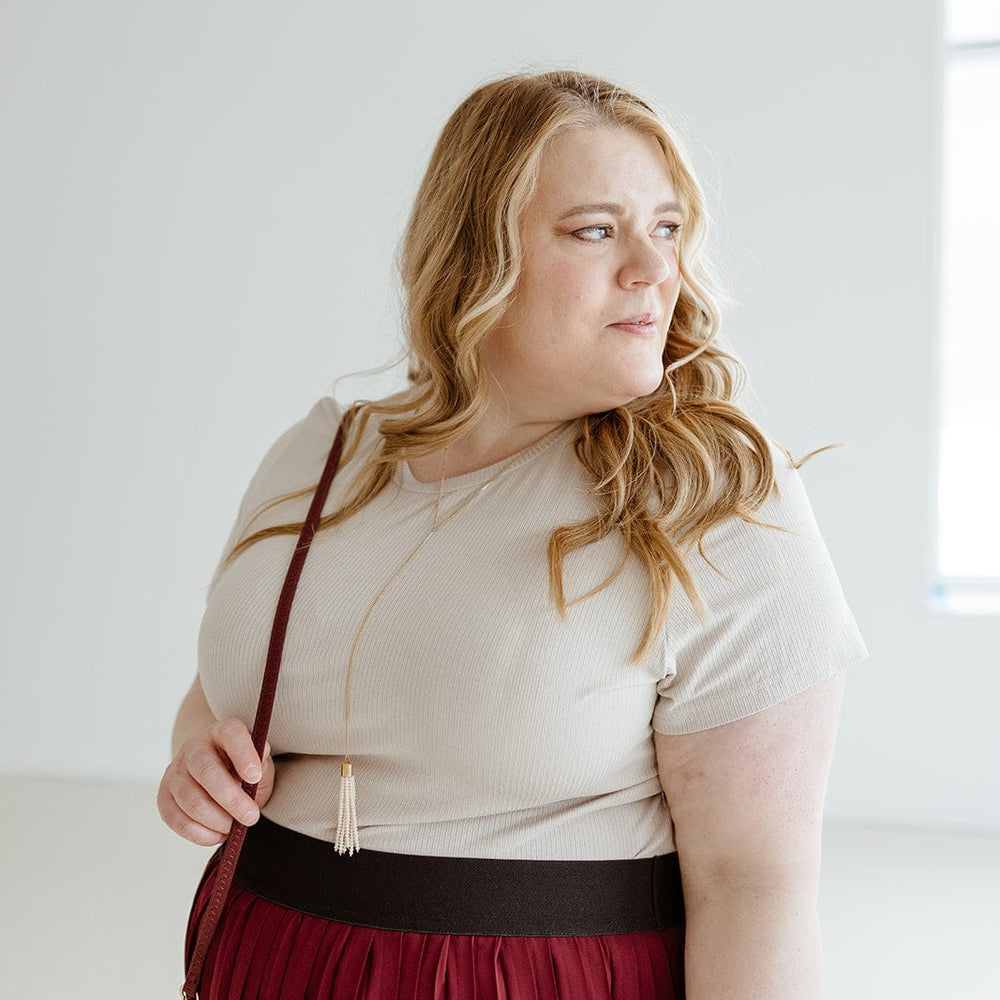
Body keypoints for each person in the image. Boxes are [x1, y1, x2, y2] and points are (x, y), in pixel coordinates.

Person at [158, 69, 869, 1000]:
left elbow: (754, 890)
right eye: (595, 230)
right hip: (272, 959)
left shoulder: (713, 496)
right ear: (471, 253)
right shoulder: (324, 451)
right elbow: (229, 691)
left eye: (666, 228)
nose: (656, 270)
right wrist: (195, 761)